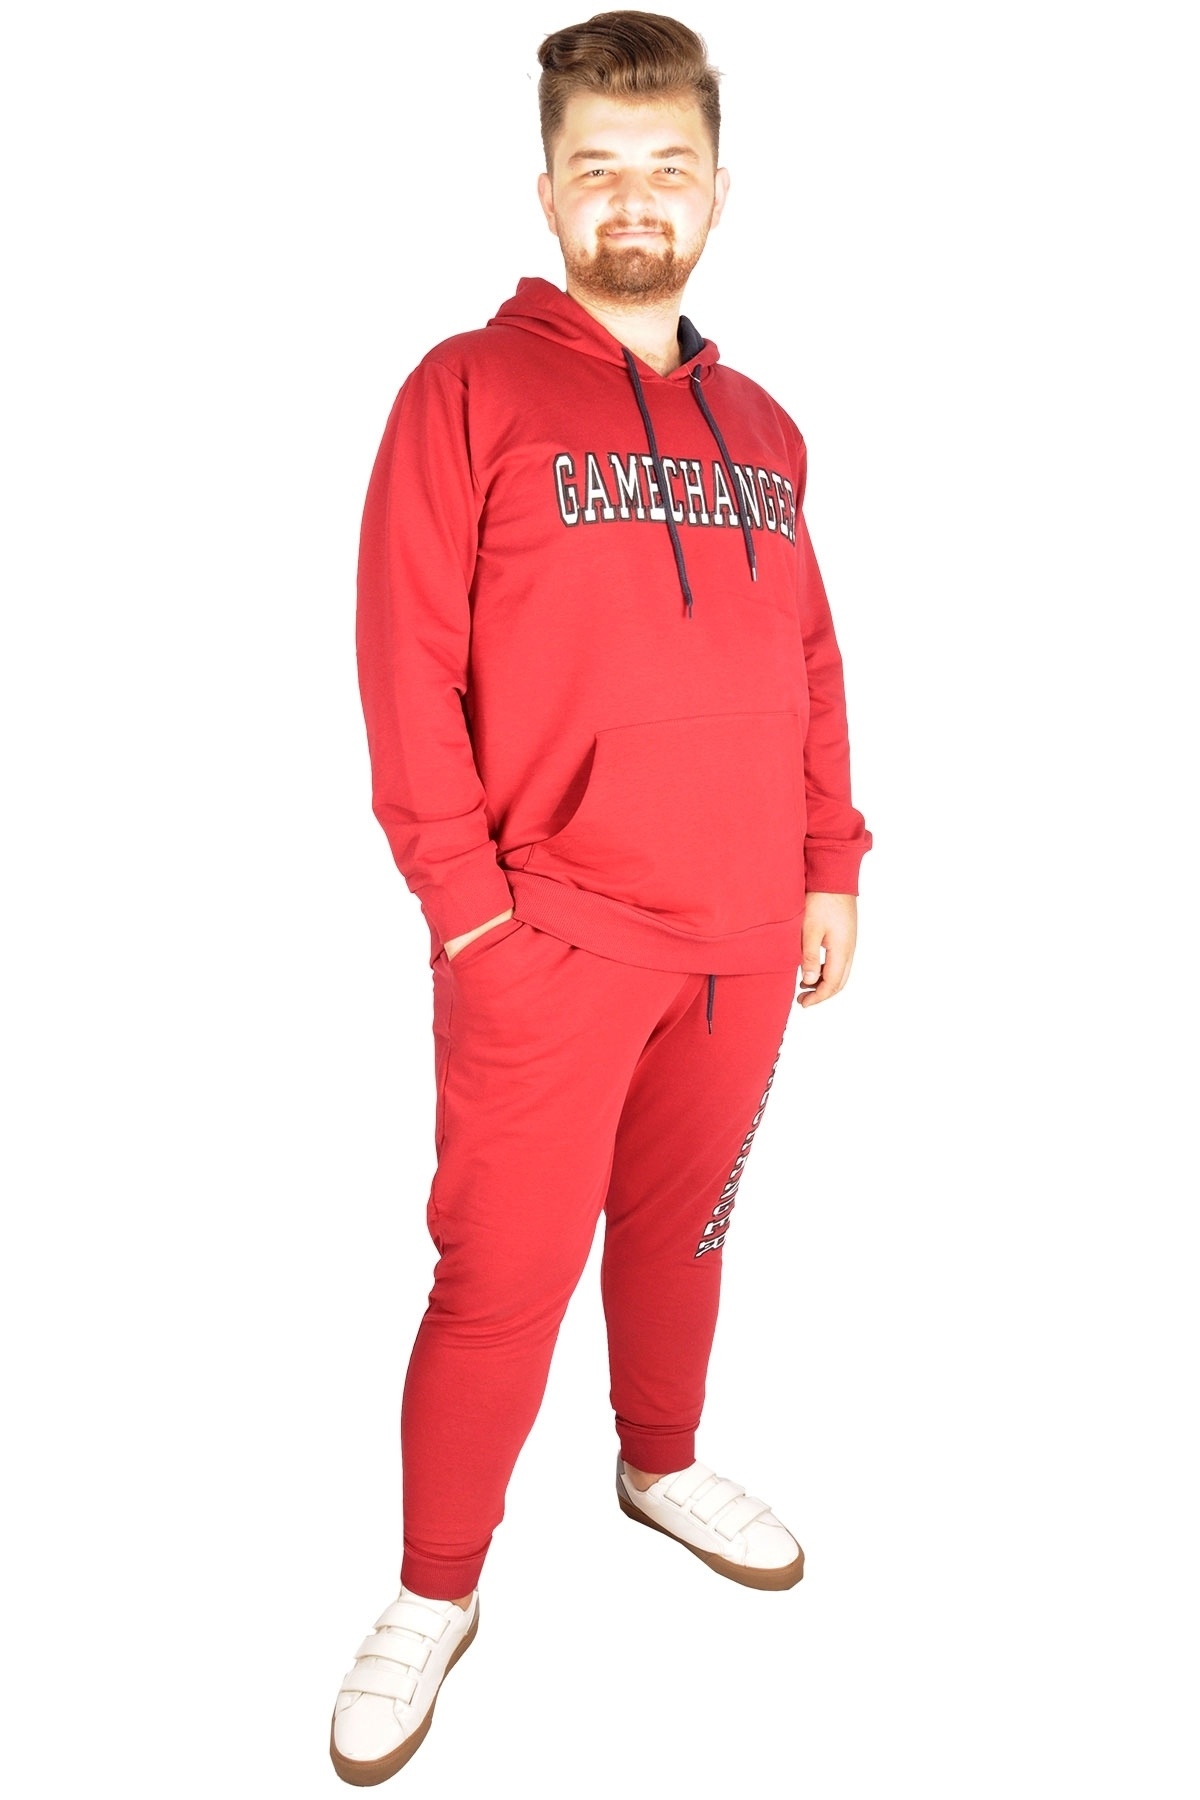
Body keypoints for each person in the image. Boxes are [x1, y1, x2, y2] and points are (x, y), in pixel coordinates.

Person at [330, 10, 872, 1784]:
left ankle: (659, 1459)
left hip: (743, 943)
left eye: (669, 167)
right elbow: (405, 671)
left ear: (717, 188)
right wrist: (468, 916)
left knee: (687, 1231)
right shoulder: (465, 392)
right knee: (500, 1277)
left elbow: (807, 657)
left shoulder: (765, 427)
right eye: (600, 167)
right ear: (550, 188)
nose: (636, 199)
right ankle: (434, 1588)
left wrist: (828, 862)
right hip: (547, 937)